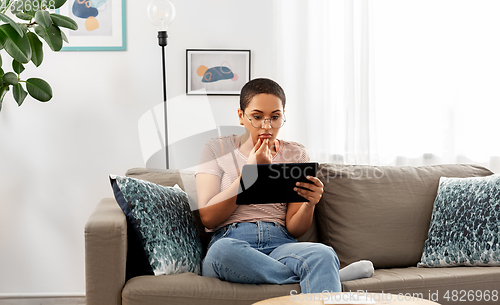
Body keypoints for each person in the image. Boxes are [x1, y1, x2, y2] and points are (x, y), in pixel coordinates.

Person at [195, 78, 373, 294]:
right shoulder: (215, 148)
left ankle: (321, 270)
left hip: (280, 243)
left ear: (283, 116)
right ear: (241, 116)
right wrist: (249, 175)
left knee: (323, 254)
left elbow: (294, 228)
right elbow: (208, 217)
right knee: (220, 252)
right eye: (257, 117)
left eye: (275, 117)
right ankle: (326, 275)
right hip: (232, 241)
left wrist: (309, 204)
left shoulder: (296, 153)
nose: (267, 126)